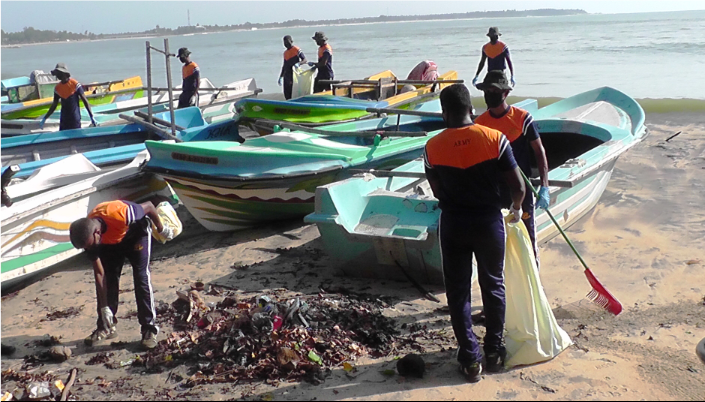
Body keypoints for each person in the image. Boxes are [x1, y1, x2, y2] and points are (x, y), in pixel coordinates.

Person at [423, 84, 525, 383]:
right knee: (493, 284)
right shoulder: (495, 138)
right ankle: (493, 351)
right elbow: (518, 187)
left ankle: (469, 359)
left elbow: (437, 190)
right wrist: (516, 209)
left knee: (458, 290)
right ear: (472, 109)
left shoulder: (432, 147)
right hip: (488, 223)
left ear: (444, 113)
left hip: (454, 224)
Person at [70, 200, 174, 350]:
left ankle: (149, 329)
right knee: (110, 278)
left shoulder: (121, 214)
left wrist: (161, 228)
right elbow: (100, 274)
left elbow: (150, 207)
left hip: (136, 234)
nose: (90, 249)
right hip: (112, 242)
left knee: (141, 277)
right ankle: (106, 326)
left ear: (97, 233)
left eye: (90, 245)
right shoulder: (88, 236)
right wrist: (104, 307)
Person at [475, 70, 550, 266]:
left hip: (521, 189)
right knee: (497, 241)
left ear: (506, 93)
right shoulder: (480, 124)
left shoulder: (522, 118)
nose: (490, 94)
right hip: (495, 192)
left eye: (495, 91)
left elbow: (539, 151)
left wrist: (544, 186)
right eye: (487, 91)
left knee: (527, 238)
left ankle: (533, 270)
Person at [39, 63, 97, 131]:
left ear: (63, 73)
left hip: (74, 119)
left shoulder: (75, 84)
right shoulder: (57, 88)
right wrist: (45, 118)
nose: (57, 75)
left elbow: (85, 101)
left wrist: (91, 116)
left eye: (58, 73)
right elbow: (54, 105)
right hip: (64, 120)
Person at [278, 35, 307, 100]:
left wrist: (299, 63)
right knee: (287, 94)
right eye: (284, 43)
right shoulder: (285, 53)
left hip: (294, 75)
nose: (286, 44)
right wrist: (281, 76)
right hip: (287, 76)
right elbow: (284, 66)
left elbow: (304, 60)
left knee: (294, 93)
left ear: (291, 41)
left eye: (287, 42)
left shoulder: (296, 49)